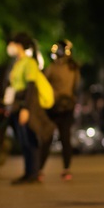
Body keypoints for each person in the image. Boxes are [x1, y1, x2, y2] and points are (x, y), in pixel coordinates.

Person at [6, 32, 55, 185]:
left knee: (30, 139)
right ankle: (28, 173)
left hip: (25, 104)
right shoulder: (18, 62)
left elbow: (31, 86)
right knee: (23, 140)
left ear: (18, 45)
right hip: (16, 105)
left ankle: (33, 173)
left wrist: (26, 109)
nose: (10, 47)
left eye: (12, 43)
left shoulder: (29, 63)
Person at [39, 40, 80, 180]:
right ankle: (66, 169)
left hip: (53, 107)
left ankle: (39, 170)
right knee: (65, 139)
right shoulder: (74, 68)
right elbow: (76, 87)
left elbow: (44, 84)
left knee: (47, 138)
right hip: (67, 106)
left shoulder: (52, 67)